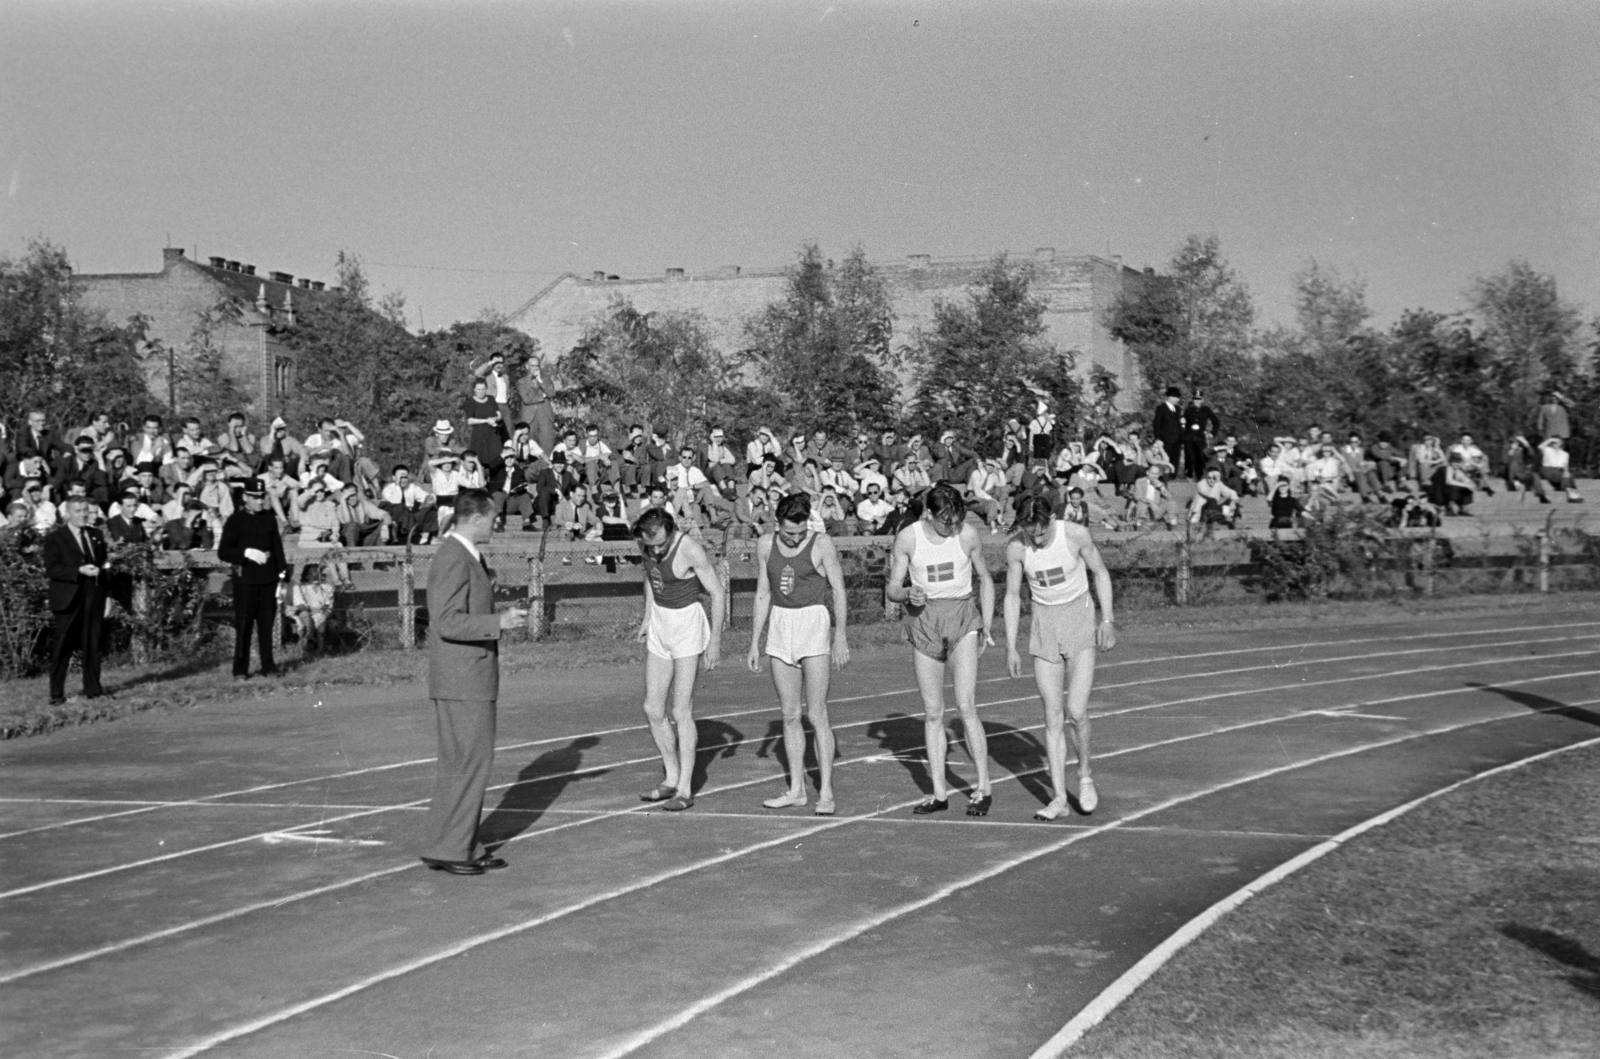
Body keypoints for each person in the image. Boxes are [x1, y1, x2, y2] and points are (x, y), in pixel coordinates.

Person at [417, 489, 527, 875]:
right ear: (477, 518)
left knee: (463, 764)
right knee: (468, 763)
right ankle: (451, 848)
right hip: (462, 678)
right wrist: (499, 622)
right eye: (493, 518)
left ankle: (454, 843)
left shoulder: (463, 554)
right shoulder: (453, 555)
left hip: (466, 676)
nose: (496, 524)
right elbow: (445, 620)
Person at [884, 482, 996, 816]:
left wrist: (987, 624)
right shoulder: (908, 537)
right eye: (944, 520)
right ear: (928, 513)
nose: (951, 527)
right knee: (933, 712)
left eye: (956, 519)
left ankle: (983, 788)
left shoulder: (967, 535)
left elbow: (986, 579)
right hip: (924, 621)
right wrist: (907, 594)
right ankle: (939, 792)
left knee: (966, 706)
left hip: (962, 617)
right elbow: (892, 587)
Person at [1003, 495, 1114, 819]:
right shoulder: (1016, 548)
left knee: (1076, 712)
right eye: (1030, 533)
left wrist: (1106, 620)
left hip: (1079, 620)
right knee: (1052, 716)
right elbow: (1011, 595)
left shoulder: (1075, 535)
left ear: (1051, 518)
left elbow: (1101, 574)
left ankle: (1084, 775)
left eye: (1041, 532)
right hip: (1044, 625)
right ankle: (1059, 799)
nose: (1036, 539)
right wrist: (1011, 646)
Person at [746, 493, 850, 814]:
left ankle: (827, 793)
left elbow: (839, 590)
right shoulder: (765, 545)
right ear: (778, 525)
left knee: (817, 713)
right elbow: (763, 592)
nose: (794, 538)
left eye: (800, 532)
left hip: (813, 622)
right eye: (789, 533)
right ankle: (796, 789)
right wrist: (754, 641)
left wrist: (841, 636)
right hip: (781, 623)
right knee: (790, 713)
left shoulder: (821, 544)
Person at [633, 507, 725, 812]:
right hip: (661, 623)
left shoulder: (689, 549)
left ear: (670, 531)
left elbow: (717, 592)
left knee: (680, 709)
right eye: (650, 544)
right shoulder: (646, 546)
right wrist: (647, 617)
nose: (656, 549)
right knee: (652, 707)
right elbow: (650, 576)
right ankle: (670, 777)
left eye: (661, 543)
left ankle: (685, 788)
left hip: (687, 624)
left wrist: (714, 641)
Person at [218, 478, 288, 679]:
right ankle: (240, 669)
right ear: (245, 497)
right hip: (246, 580)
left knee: (267, 626)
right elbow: (224, 551)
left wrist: (282, 574)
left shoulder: (269, 518)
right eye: (255, 498)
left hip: (268, 579)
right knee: (244, 626)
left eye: (262, 497)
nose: (259, 501)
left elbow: (277, 548)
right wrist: (246, 553)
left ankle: (269, 666)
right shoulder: (235, 520)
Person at [43, 497, 109, 704]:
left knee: (92, 643)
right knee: (62, 645)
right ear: (68, 514)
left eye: (86, 511)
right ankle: (56, 693)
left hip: (93, 595)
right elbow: (52, 569)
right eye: (78, 511)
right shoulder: (55, 538)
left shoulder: (96, 535)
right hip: (68, 598)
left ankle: (93, 689)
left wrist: (108, 596)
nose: (83, 515)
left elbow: (105, 567)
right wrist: (78, 571)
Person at [1152, 387, 1184, 478]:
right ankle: (1164, 477)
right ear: (1170, 397)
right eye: (1176, 397)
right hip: (1165, 439)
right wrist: (1158, 438)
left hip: (1177, 439)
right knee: (1166, 458)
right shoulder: (1161, 408)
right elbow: (1157, 424)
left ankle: (1173, 478)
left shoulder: (1178, 409)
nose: (1178, 399)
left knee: (1175, 459)